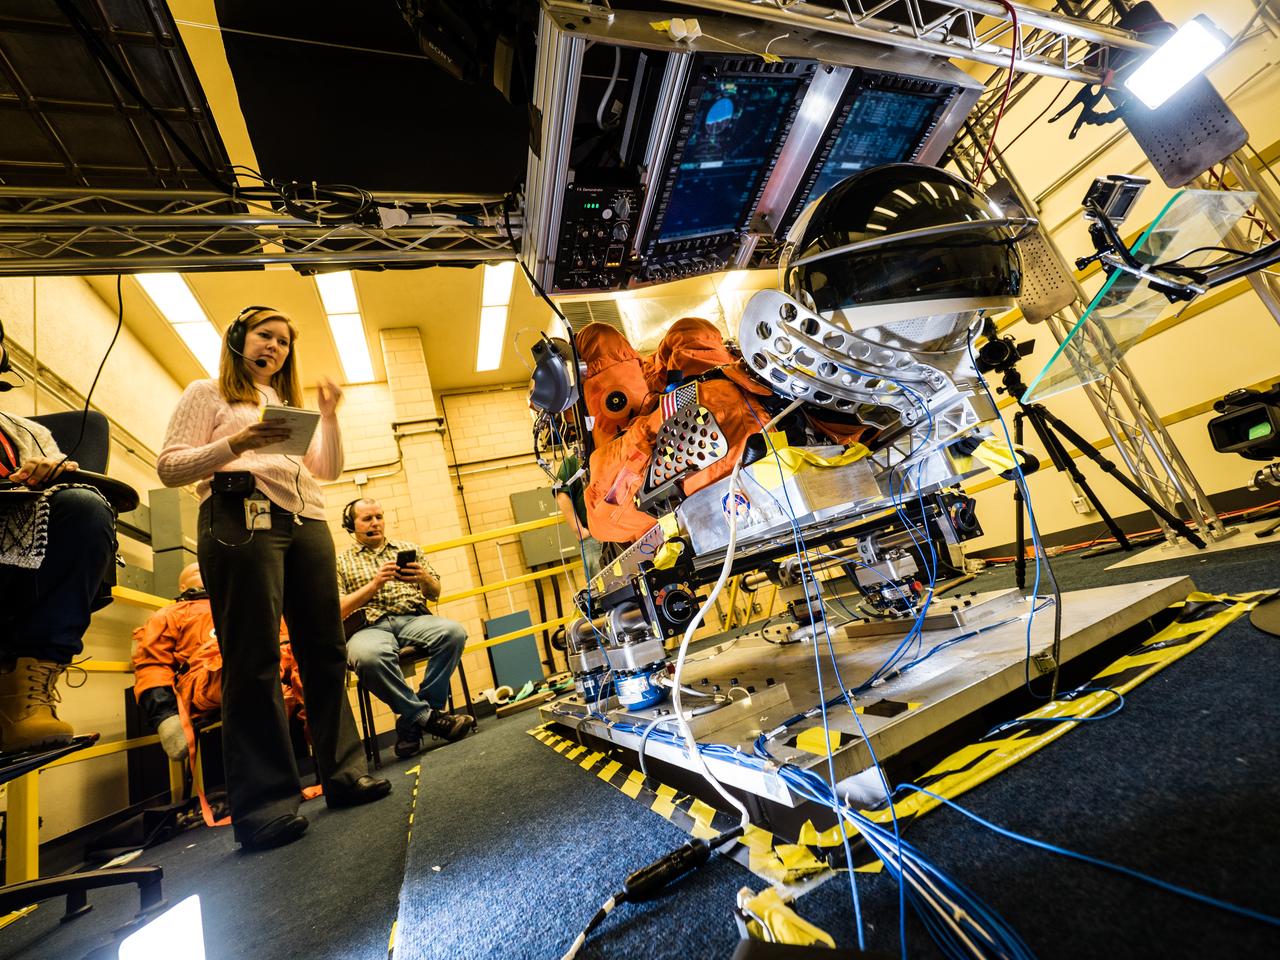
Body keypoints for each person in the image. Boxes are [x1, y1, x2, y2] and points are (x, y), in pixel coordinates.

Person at [157, 305, 389, 851]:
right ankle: (264, 807)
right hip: (239, 514)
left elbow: (327, 470)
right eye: (266, 335)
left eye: (284, 342)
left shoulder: (285, 407)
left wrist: (327, 415)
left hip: (306, 521)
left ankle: (344, 774)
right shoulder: (207, 393)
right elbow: (170, 466)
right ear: (238, 338)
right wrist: (237, 444)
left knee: (325, 650)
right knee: (253, 657)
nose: (275, 348)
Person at [0, 324, 117, 753]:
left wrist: (54, 477)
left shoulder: (30, 433)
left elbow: (70, 489)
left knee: (86, 504)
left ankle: (23, 698)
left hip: (24, 555)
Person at [336, 498, 474, 759]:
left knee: (454, 633)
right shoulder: (340, 562)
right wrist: (374, 585)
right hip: (368, 626)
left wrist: (424, 578)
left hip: (412, 618)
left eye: (379, 517)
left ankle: (414, 720)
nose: (375, 523)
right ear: (350, 525)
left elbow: (434, 593)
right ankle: (428, 718)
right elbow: (339, 609)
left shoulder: (408, 549)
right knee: (367, 657)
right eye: (367, 519)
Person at [132, 562, 307, 762]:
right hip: (213, 672)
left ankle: (324, 750)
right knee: (246, 663)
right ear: (183, 586)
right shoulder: (170, 614)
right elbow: (152, 665)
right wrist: (165, 717)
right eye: (197, 571)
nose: (205, 570)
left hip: (274, 660)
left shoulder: (251, 607)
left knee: (313, 659)